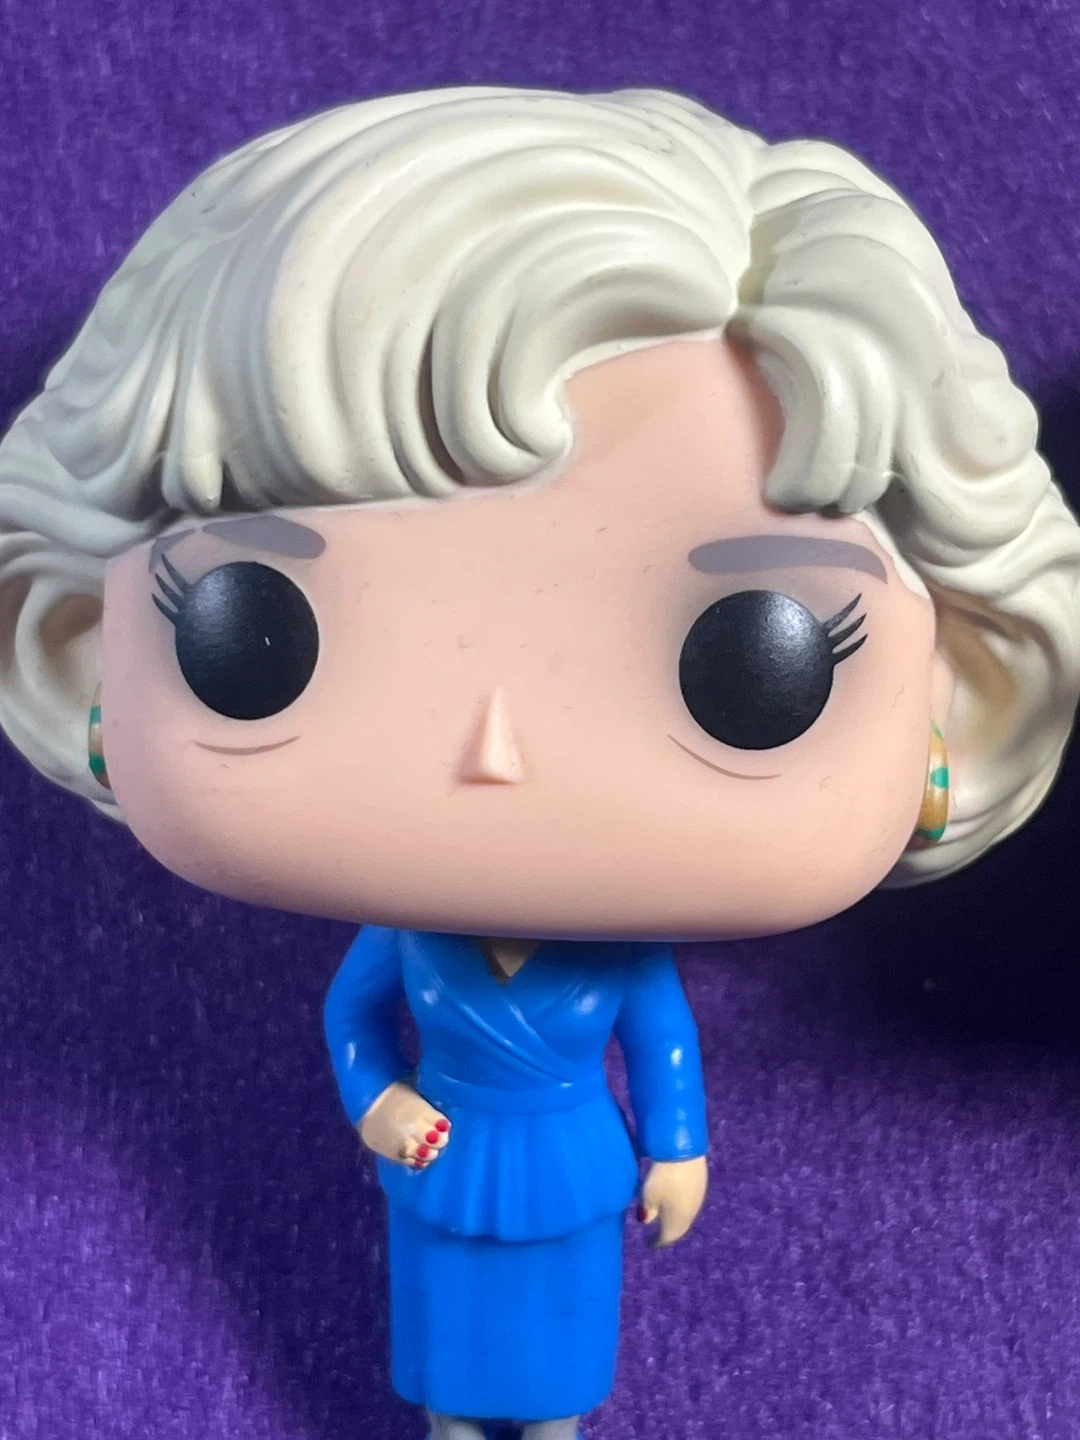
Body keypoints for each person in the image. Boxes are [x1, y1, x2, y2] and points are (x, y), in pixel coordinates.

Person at [0, 87, 1077, 1439]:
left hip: (572, 1165)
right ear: (71, 649)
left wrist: (677, 1148)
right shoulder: (408, 947)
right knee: (447, 1354)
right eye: (254, 638)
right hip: (445, 1163)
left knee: (563, 1362)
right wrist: (379, 1104)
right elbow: (354, 1023)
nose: (494, 748)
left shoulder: (610, 963)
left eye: (756, 666)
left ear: (964, 702)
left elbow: (661, 1043)